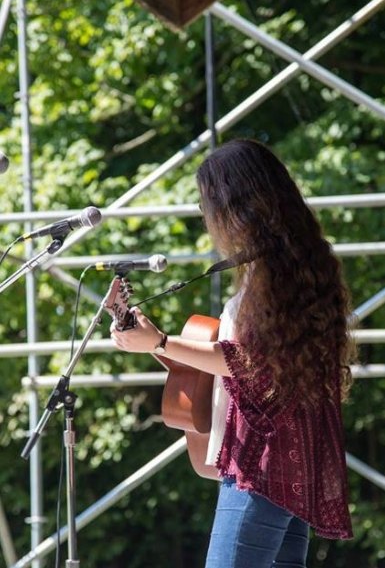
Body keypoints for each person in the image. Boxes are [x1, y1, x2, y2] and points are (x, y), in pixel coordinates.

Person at [110, 138, 355, 568]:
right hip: (289, 467)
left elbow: (246, 362)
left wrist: (163, 342)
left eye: (208, 205)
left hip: (262, 468)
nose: (206, 217)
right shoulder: (302, 261)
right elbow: (256, 364)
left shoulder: (270, 274)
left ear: (235, 205)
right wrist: (153, 343)